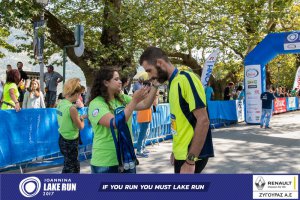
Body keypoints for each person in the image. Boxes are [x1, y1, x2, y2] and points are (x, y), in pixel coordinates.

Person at [139, 46, 214, 174]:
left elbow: (203, 120)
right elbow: (179, 121)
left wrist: (190, 161)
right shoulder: (172, 83)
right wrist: (176, 149)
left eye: (149, 71)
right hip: (182, 154)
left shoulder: (185, 79)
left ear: (160, 63)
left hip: (191, 156)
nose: (150, 76)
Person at [88, 67, 158, 174]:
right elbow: (115, 123)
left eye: (119, 79)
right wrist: (134, 100)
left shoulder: (122, 98)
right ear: (106, 83)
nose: (120, 81)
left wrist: (155, 85)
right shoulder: (96, 104)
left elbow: (145, 104)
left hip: (126, 157)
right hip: (105, 163)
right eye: (116, 79)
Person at [56, 78, 86, 173]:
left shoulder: (61, 103)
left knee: (68, 164)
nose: (80, 96)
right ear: (76, 94)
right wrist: (83, 118)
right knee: (72, 168)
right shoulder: (72, 109)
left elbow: (68, 119)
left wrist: (79, 115)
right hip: (71, 141)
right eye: (80, 93)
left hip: (62, 139)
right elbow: (80, 127)